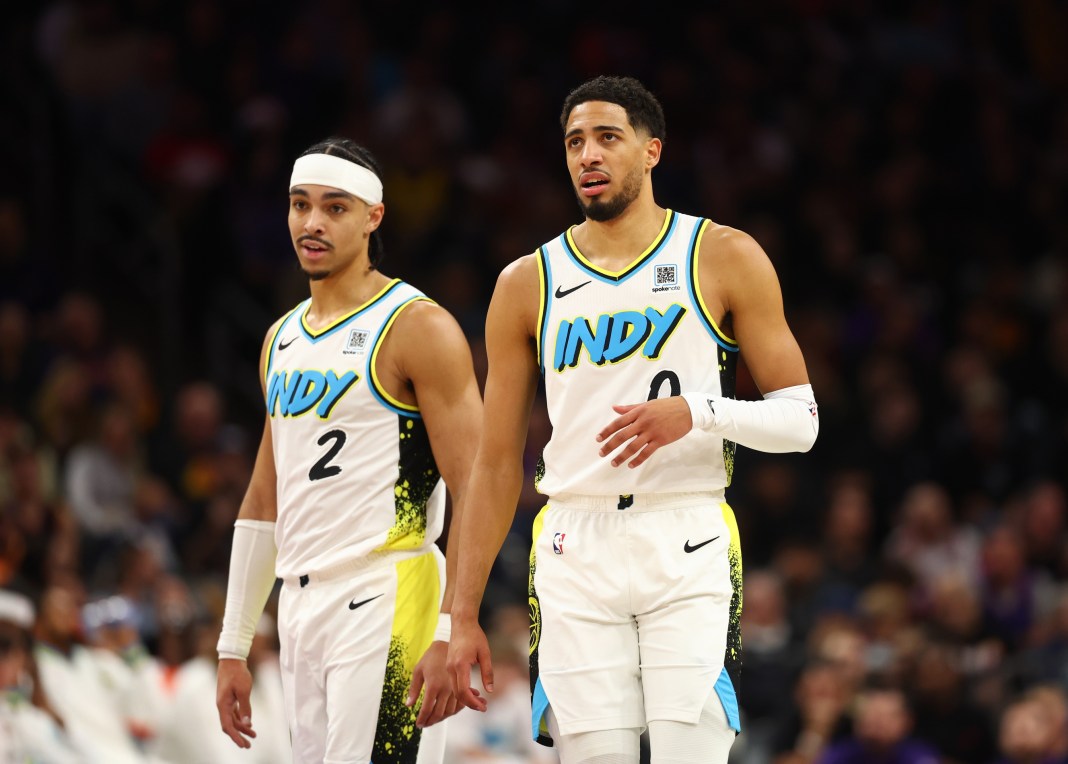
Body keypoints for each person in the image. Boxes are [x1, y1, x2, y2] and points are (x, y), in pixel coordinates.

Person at [447, 75, 819, 764]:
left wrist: (697, 413)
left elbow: (801, 421)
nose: (588, 154)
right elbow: (496, 462)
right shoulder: (526, 282)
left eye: (607, 138)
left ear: (652, 151)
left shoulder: (722, 255)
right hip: (572, 542)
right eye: (575, 142)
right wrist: (460, 612)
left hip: (687, 532)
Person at [215, 137, 484, 763]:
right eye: (299, 205)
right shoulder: (280, 338)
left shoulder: (418, 325)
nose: (312, 223)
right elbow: (264, 497)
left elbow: (477, 484)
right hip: (300, 604)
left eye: (335, 208)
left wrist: (452, 625)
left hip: (389, 590)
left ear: (373, 217)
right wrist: (234, 643)